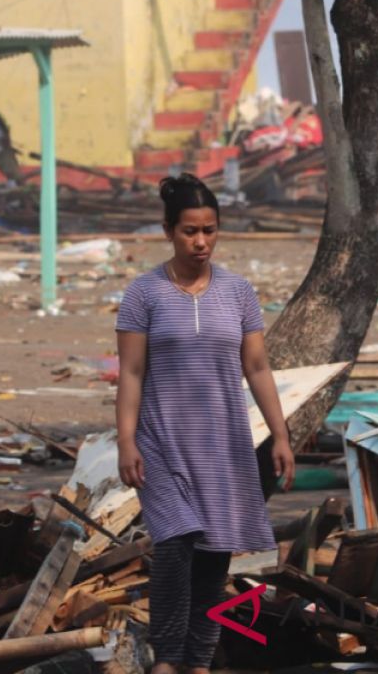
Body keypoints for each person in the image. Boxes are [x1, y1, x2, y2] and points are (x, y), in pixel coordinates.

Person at [114, 174, 295, 674]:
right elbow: (130, 372)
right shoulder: (143, 294)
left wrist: (280, 435)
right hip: (161, 442)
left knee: (214, 557)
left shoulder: (238, 293)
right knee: (173, 547)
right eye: (190, 231)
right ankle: (166, 659)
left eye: (209, 231)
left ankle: (197, 662)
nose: (200, 242)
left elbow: (256, 367)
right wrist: (126, 441)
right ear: (169, 230)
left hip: (224, 445)